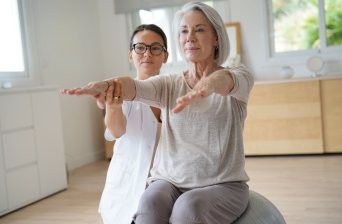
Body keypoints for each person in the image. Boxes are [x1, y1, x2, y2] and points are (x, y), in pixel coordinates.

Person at [62, 2, 254, 224]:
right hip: (170, 182)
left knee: (187, 208)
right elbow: (133, 86)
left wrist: (207, 85)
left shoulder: (240, 77)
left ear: (217, 37)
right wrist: (105, 85)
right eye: (184, 31)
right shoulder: (169, 84)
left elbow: (225, 81)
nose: (190, 37)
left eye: (199, 29)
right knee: (149, 202)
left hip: (222, 184)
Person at [99, 24, 168, 224]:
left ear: (165, 55)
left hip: (164, 184)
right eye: (140, 47)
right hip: (128, 186)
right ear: (131, 55)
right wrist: (112, 107)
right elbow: (116, 131)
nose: (147, 53)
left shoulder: (173, 94)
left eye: (155, 48)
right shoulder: (123, 94)